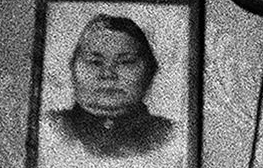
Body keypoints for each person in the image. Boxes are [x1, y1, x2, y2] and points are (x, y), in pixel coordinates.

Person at [46, 14, 173, 160]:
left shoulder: (169, 135)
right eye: (95, 62)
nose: (108, 74)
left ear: (150, 70)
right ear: (72, 68)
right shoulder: (50, 128)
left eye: (126, 62)